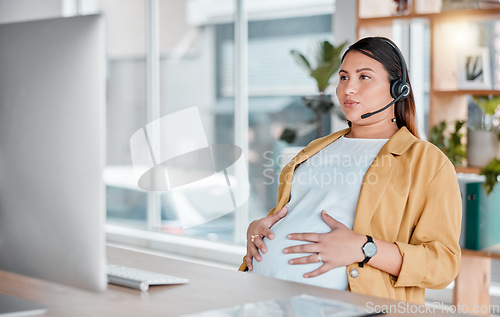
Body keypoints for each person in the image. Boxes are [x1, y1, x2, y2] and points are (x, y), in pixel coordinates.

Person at [238, 37, 462, 304]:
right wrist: (258, 228)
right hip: (263, 298)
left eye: (364, 77)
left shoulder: (426, 162)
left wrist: (364, 248)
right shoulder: (315, 149)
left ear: (398, 89)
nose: (348, 89)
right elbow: (295, 214)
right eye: (343, 77)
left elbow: (443, 265)